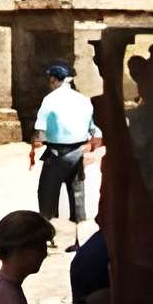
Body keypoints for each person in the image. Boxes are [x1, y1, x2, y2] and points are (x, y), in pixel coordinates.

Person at [30, 63, 99, 248]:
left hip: (56, 154)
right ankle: (79, 241)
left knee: (47, 195)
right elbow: (94, 130)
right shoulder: (84, 100)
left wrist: (35, 144)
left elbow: (40, 131)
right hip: (78, 153)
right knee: (77, 196)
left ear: (54, 80)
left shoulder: (49, 100)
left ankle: (48, 238)